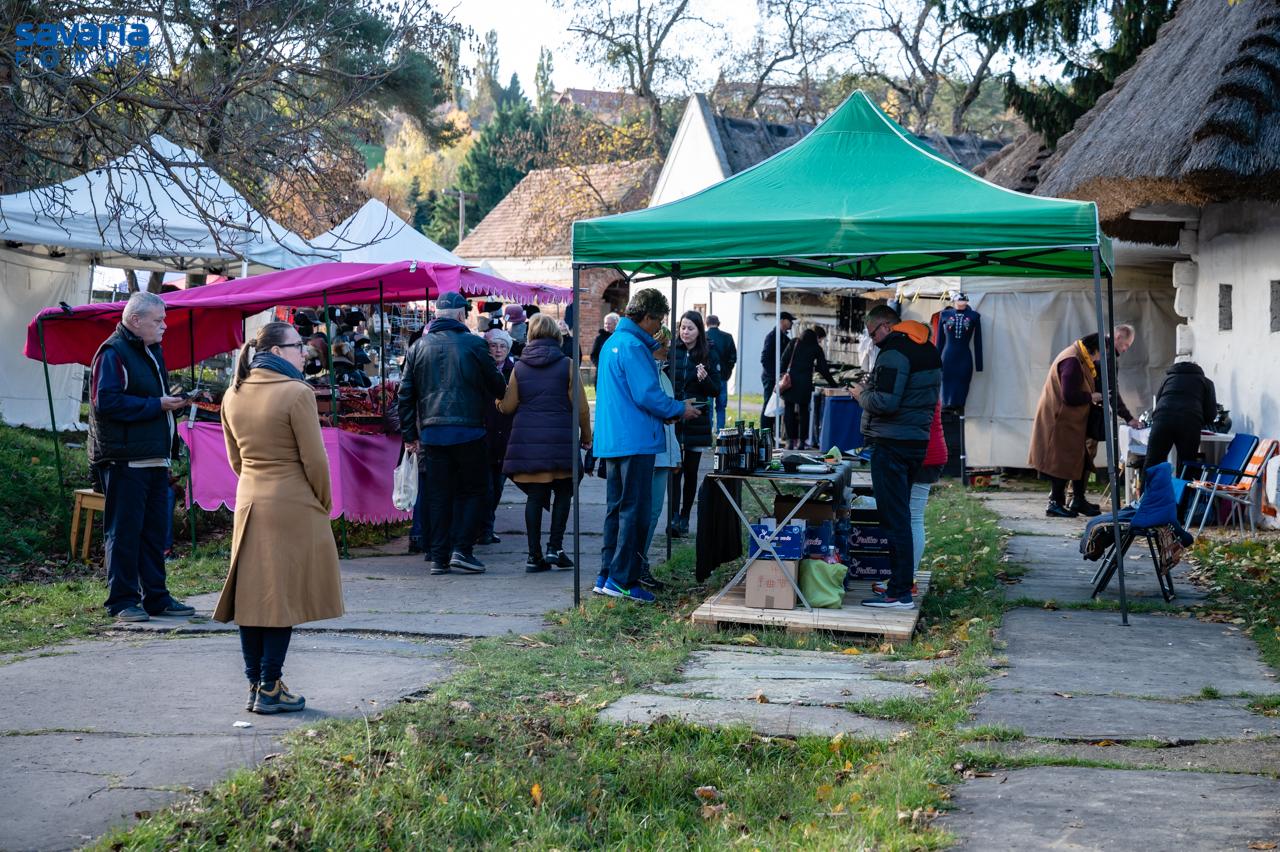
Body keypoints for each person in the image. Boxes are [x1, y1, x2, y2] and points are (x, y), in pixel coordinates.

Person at [214, 322, 344, 714]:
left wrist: (256, 484)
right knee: (280, 598)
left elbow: (236, 460)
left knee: (252, 598)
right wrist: (322, 502)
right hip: (291, 502)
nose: (304, 352)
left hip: (250, 500)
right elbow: (315, 460)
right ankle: (270, 686)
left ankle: (256, 684)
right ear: (275, 351)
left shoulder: (233, 393)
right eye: (297, 345)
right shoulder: (297, 392)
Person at [88, 291, 195, 623]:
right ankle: (122, 601)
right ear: (135, 320)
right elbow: (106, 403)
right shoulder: (113, 352)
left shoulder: (151, 350)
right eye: (158, 320)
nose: (164, 326)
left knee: (153, 533)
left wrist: (173, 404)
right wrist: (158, 405)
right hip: (125, 460)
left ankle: (156, 598)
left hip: (154, 458)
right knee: (124, 533)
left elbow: (148, 398)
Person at [594, 288, 699, 602]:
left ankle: (607, 574)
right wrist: (678, 409)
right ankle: (623, 580)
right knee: (634, 511)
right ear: (647, 317)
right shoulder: (633, 346)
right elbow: (647, 394)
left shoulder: (614, 342)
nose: (660, 326)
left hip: (615, 439)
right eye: (659, 320)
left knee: (616, 509)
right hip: (636, 439)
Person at [398, 291, 506, 575]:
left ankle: (439, 556)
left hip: (433, 432)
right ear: (460, 315)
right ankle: (462, 550)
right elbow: (497, 385)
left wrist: (410, 435)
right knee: (474, 490)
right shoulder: (474, 344)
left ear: (436, 316)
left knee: (438, 494)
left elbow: (405, 394)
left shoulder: (418, 347)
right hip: (469, 430)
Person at [852, 305, 942, 609]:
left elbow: (886, 402)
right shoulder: (928, 348)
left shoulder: (894, 351)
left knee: (895, 519)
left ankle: (899, 591)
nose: (873, 341)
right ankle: (901, 585)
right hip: (916, 441)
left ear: (886, 326)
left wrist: (861, 394)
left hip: (891, 443)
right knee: (902, 516)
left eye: (873, 334)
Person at [499, 315, 593, 572]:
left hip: (528, 441)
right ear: (556, 335)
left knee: (535, 495)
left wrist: (497, 401)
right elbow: (582, 408)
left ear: (530, 335)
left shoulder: (519, 367)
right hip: (560, 440)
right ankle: (555, 547)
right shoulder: (568, 364)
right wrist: (586, 437)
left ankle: (533, 556)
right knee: (564, 491)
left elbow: (508, 406)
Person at [1028, 333, 1105, 519]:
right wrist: (1091, 397)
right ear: (1095, 349)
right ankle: (1054, 503)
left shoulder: (1078, 356)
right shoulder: (1072, 360)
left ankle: (1078, 499)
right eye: (1101, 354)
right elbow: (1069, 395)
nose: (1100, 359)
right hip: (1060, 419)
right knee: (1060, 462)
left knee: (1080, 459)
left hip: (1071, 420)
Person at [668, 310, 722, 537]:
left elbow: (715, 390)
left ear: (699, 330)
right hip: (675, 417)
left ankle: (685, 517)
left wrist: (705, 379)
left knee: (690, 472)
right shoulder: (673, 351)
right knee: (674, 470)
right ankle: (672, 518)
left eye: (690, 328)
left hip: (697, 419)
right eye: (682, 327)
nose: (685, 332)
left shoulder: (709, 354)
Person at [1143, 360, 1218, 485]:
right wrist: (1201, 422)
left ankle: (1145, 495)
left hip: (1162, 418)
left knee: (1152, 461)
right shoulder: (1206, 382)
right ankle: (1183, 496)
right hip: (1190, 421)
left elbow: (1159, 400)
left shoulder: (1167, 379)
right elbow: (1211, 413)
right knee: (1187, 464)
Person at [477, 328, 516, 546]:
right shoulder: (480, 369)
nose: (498, 350)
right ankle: (483, 529)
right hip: (483, 433)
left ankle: (486, 527)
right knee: (485, 487)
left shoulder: (514, 371)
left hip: (505, 436)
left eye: (502, 346)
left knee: (498, 486)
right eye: (494, 345)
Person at [780, 325, 838, 448]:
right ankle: (801, 441)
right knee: (804, 412)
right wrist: (834, 384)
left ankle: (790, 441)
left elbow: (783, 360)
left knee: (789, 410)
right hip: (805, 383)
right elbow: (823, 368)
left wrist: (782, 375)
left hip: (790, 381)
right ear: (816, 337)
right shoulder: (816, 348)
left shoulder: (794, 342)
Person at [760, 310, 795, 433]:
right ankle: (765, 433)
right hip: (771, 377)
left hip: (779, 378)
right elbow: (764, 358)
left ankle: (774, 433)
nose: (792, 323)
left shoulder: (785, 338)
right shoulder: (772, 336)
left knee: (777, 406)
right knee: (769, 405)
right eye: (790, 321)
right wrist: (774, 375)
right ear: (782, 321)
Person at [705, 314, 737, 430]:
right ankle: (720, 430)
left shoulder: (703, 336)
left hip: (707, 377)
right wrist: (727, 372)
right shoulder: (727, 337)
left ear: (706, 323)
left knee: (708, 406)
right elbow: (733, 358)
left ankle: (708, 430)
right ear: (718, 323)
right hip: (722, 376)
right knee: (721, 406)